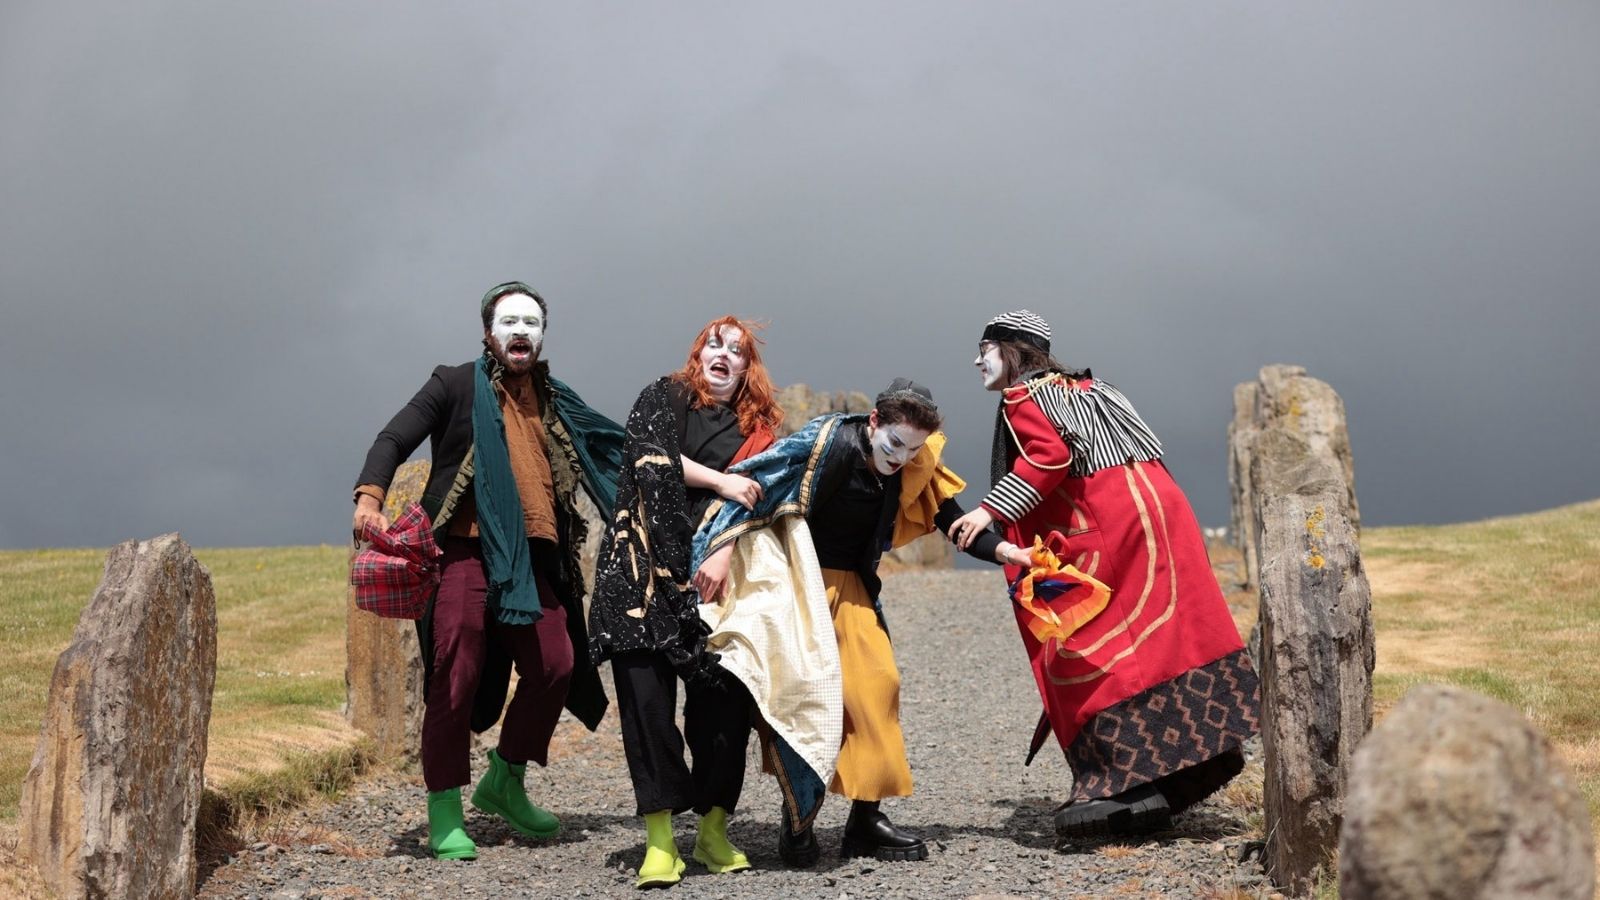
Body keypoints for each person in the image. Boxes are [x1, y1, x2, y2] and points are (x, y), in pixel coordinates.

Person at [947, 310, 1261, 840]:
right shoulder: (1093, 388)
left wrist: (989, 511)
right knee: (1164, 638)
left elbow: (1048, 457)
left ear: (1013, 350)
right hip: (1160, 518)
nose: (976, 359)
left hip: (1106, 530)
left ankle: (1120, 784)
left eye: (985, 347)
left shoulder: (1024, 398)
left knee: (1090, 650)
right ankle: (1202, 756)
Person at [692, 379, 1032, 866]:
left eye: (912, 449)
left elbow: (953, 519)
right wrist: (721, 550)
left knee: (878, 684)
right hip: (796, 584)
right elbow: (752, 483)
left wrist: (1006, 552)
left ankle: (864, 820)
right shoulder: (827, 441)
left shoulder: (913, 463)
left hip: (851, 587)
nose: (900, 457)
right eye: (894, 443)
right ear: (874, 422)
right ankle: (798, 822)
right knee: (804, 698)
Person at [351, 282, 622, 860]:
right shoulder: (453, 382)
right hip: (463, 553)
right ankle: (445, 810)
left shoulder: (554, 399)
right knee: (456, 668)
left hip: (533, 562)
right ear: (487, 333)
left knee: (556, 664)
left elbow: (613, 448)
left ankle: (506, 777)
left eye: (531, 322)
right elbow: (395, 436)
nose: (520, 331)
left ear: (542, 335)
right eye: (509, 322)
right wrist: (369, 495)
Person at [587, 316, 784, 888]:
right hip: (641, 576)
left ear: (749, 367)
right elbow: (648, 459)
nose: (723, 355)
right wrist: (722, 484)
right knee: (647, 708)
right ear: (698, 354)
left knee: (725, 709)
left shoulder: (762, 430)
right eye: (713, 345)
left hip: (718, 581)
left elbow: (767, 502)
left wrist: (722, 549)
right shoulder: (664, 395)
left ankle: (714, 830)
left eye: (737, 350)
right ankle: (660, 840)